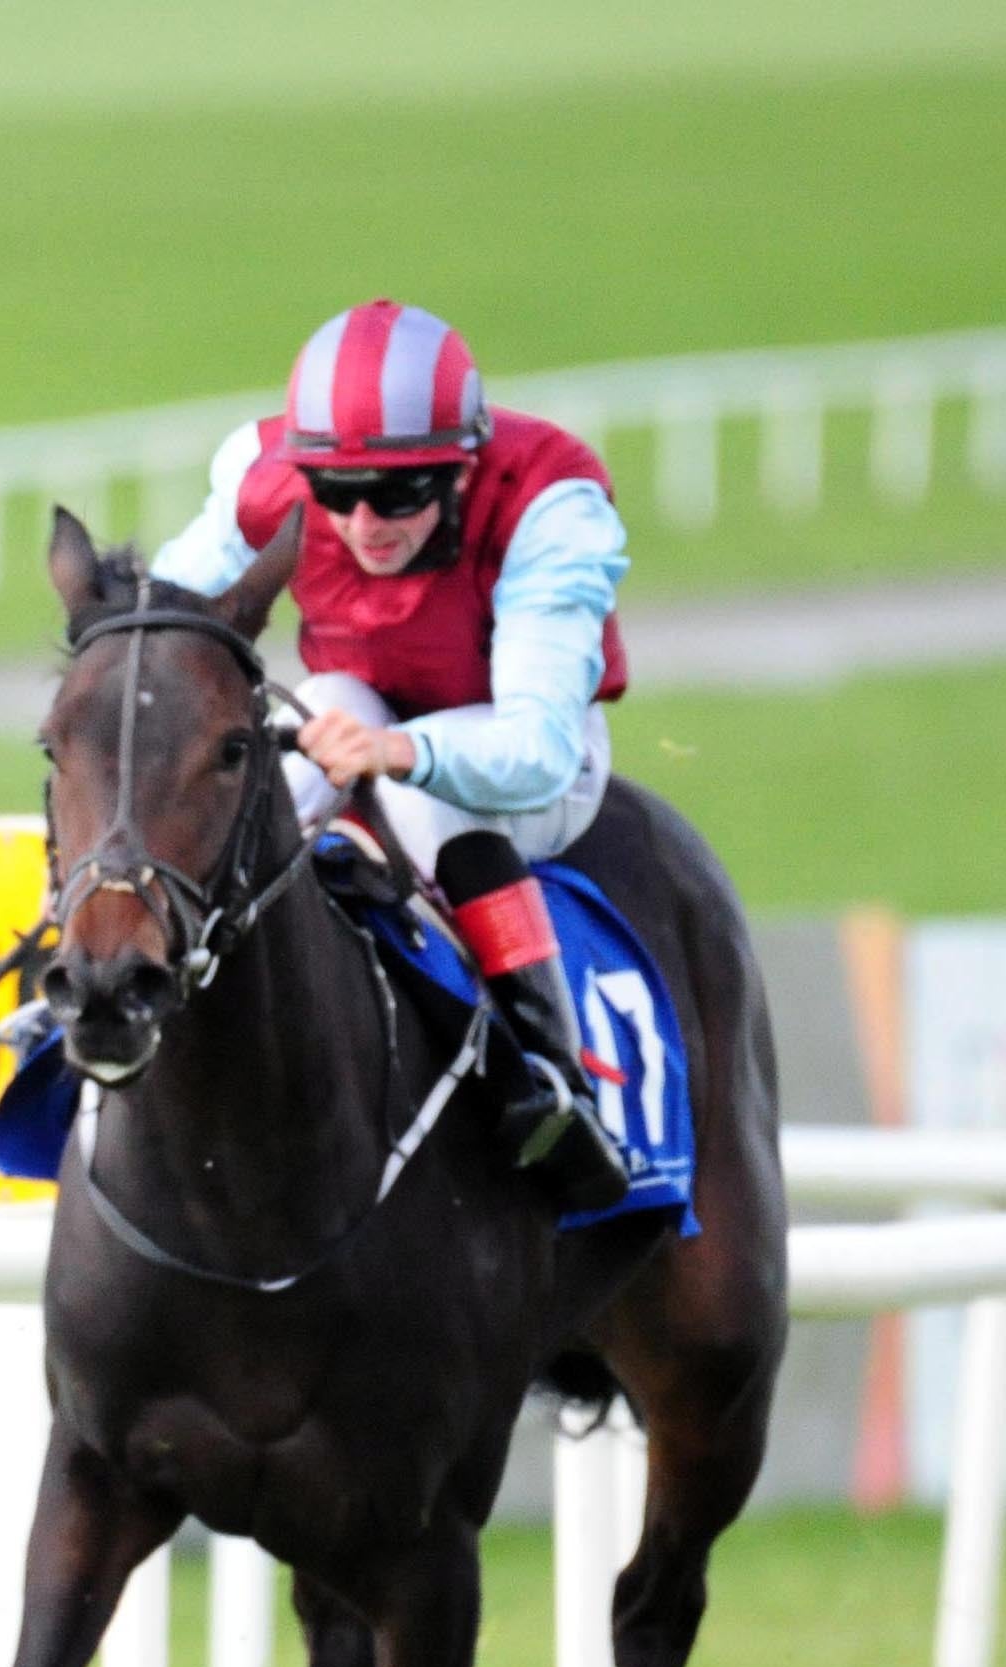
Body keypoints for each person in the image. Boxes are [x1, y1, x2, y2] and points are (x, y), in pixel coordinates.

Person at [151, 298, 634, 1214]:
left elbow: (535, 745)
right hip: (355, 719)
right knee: (278, 743)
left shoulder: (548, 503)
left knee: (416, 801)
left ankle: (545, 1069)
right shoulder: (261, 479)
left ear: (461, 469)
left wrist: (399, 751)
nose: (365, 521)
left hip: (533, 760)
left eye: (400, 491)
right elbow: (164, 625)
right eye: (336, 493)